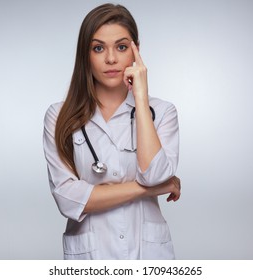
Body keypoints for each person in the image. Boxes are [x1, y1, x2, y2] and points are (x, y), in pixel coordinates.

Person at [43, 3, 181, 260]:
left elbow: (155, 174)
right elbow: (68, 199)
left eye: (121, 47)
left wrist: (140, 98)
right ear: (85, 55)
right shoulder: (59, 116)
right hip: (91, 256)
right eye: (98, 48)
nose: (111, 59)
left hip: (148, 255)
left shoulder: (161, 112)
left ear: (136, 51)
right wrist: (149, 190)